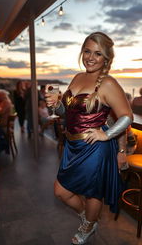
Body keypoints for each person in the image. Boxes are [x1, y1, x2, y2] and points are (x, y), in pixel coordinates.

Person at [45, 32, 133, 244]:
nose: (90, 57)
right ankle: (89, 219)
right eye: (87, 51)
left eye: (98, 53)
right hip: (72, 146)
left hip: (94, 147)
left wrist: (107, 134)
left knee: (94, 193)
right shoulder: (77, 77)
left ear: (106, 59)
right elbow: (68, 113)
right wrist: (56, 104)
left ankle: (89, 225)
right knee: (61, 191)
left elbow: (127, 116)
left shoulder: (108, 83)